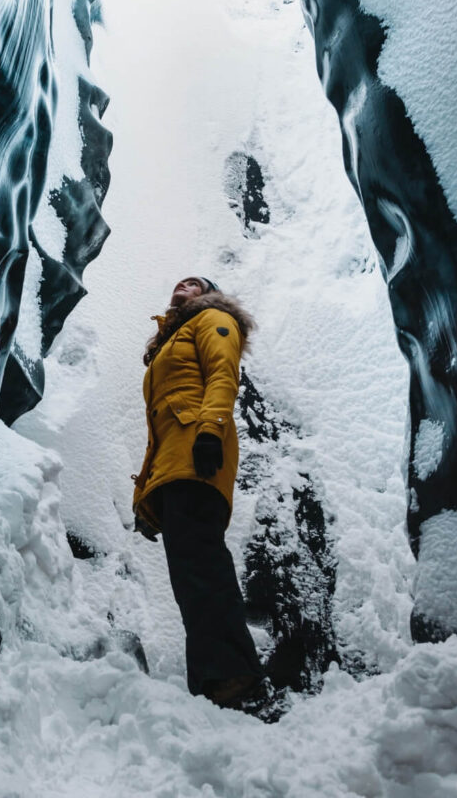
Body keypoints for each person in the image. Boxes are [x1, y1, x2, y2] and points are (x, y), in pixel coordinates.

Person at [132, 275, 263, 708]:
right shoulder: (172, 342)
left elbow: (223, 375)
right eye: (179, 282)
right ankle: (215, 678)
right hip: (178, 462)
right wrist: (147, 499)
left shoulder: (212, 318)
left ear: (210, 295)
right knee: (191, 573)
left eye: (195, 283)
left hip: (198, 455)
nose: (183, 284)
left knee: (201, 566)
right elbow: (159, 430)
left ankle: (232, 676)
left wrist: (210, 430)